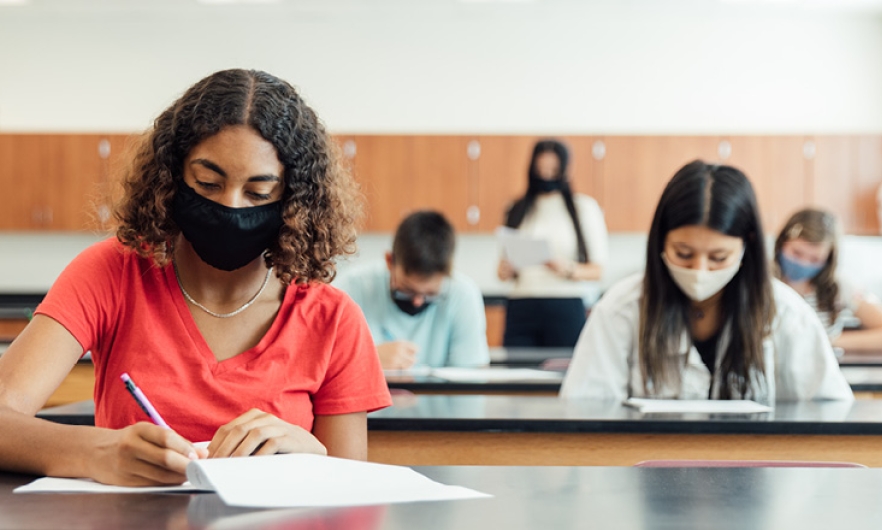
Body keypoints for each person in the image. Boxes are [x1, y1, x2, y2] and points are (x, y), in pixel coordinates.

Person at [0, 69, 391, 486]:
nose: (231, 206)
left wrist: (312, 454)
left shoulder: (332, 318)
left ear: (294, 198)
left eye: (258, 193)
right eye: (208, 183)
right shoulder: (113, 272)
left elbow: (353, 490)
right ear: (172, 176)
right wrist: (99, 452)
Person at [560, 160, 852, 403]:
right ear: (660, 241)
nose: (700, 270)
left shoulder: (787, 312)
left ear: (746, 246)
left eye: (718, 257)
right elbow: (586, 413)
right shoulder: (620, 308)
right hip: (644, 469)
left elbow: (830, 412)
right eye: (684, 254)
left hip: (758, 470)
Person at [335, 210, 489, 370]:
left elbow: (472, 377)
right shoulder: (351, 288)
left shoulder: (463, 295)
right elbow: (323, 365)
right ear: (389, 261)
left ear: (447, 274)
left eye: (430, 294)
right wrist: (367, 358)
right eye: (407, 290)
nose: (417, 301)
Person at [497, 139, 609, 348]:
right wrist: (507, 269)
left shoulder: (583, 208)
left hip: (565, 306)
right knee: (516, 374)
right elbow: (501, 271)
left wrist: (565, 268)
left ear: (565, 170)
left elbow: (597, 270)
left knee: (564, 373)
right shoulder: (516, 208)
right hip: (521, 305)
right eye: (541, 169)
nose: (547, 175)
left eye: (553, 169)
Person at [774, 208, 882, 351]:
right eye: (797, 253)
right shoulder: (761, 280)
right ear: (782, 243)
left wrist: (827, 342)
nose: (804, 263)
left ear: (828, 259)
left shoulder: (840, 287)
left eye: (815, 259)